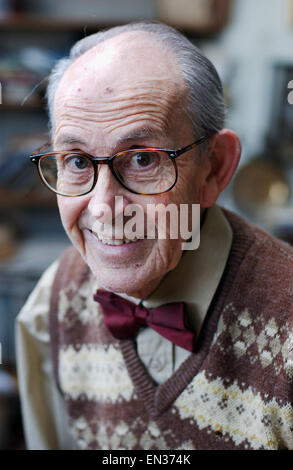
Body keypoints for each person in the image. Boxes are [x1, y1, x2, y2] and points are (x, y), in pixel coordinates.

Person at [16, 21, 293, 451]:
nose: (104, 207)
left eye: (143, 158)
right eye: (76, 160)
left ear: (214, 168)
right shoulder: (52, 303)